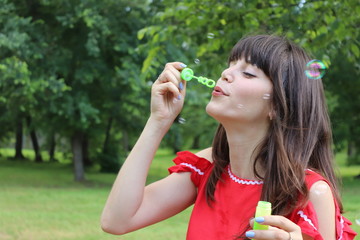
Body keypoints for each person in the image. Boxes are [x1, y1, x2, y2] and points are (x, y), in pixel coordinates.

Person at [101, 35, 357, 240]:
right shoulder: (208, 168)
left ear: (277, 106)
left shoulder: (311, 193)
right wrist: (158, 121)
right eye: (231, 64)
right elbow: (117, 220)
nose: (226, 73)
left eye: (248, 73)